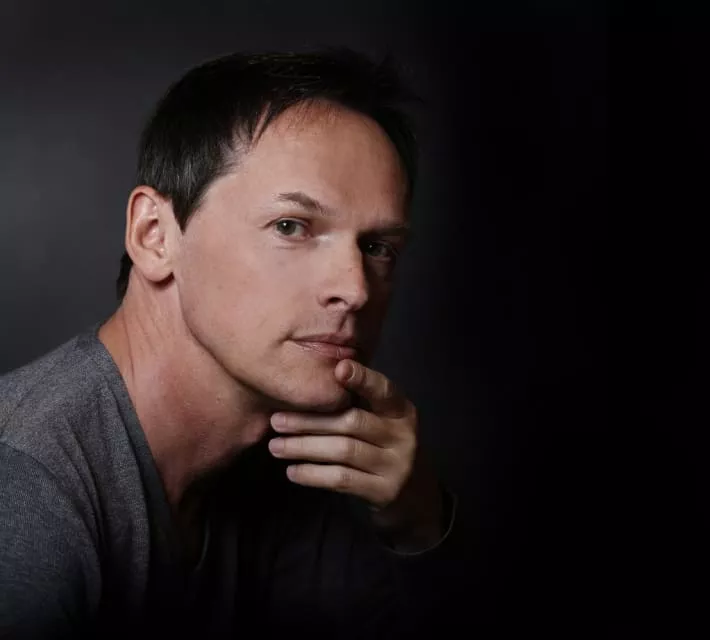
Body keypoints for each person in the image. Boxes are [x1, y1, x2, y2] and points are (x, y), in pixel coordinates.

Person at [0, 49, 459, 639]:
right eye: (291, 226)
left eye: (378, 248)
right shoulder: (26, 485)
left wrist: (416, 521)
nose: (354, 289)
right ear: (155, 235)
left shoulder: (297, 459)